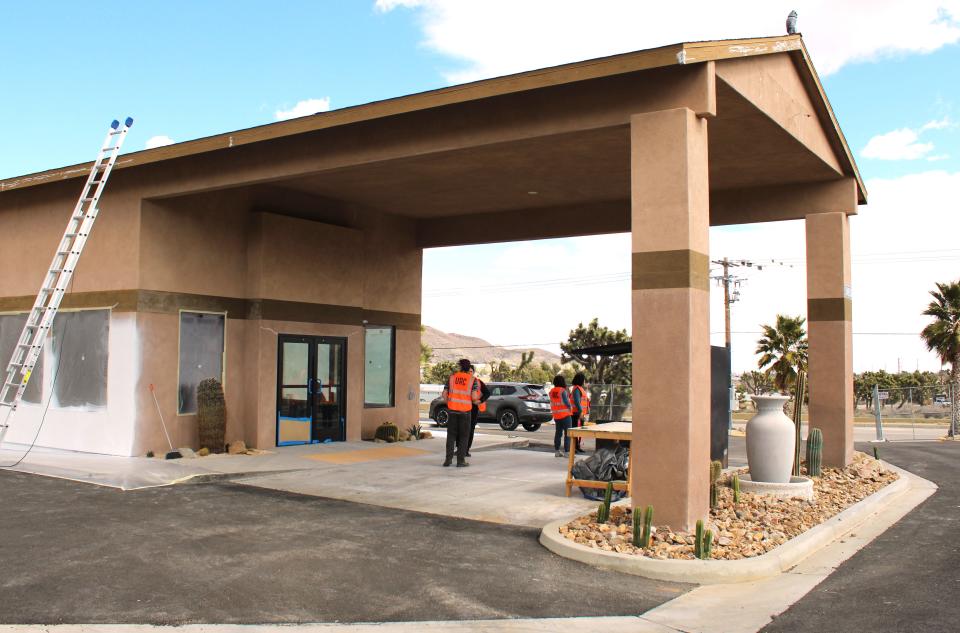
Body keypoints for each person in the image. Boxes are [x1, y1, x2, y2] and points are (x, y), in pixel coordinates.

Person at [441, 358, 480, 467]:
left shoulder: (452, 378)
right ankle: (460, 461)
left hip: (452, 410)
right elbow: (473, 397)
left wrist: (449, 403)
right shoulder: (473, 380)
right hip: (465, 412)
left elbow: (444, 394)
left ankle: (448, 460)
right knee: (464, 436)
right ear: (468, 368)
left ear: (460, 366)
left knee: (451, 436)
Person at [466, 365, 491, 457]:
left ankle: (466, 450)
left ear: (473, 372)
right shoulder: (463, 382)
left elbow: (487, 393)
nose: (469, 373)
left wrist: (480, 401)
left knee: (470, 429)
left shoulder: (478, 382)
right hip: (463, 408)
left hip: (473, 409)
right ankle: (460, 448)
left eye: (471, 371)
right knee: (462, 429)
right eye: (467, 371)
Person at [549, 374, 573, 457]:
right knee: (568, 434)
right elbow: (566, 402)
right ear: (562, 382)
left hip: (556, 416)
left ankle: (557, 451)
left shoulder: (551, 391)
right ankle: (567, 452)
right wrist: (570, 408)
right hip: (565, 415)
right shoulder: (563, 391)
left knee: (558, 434)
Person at [570, 372, 590, 454]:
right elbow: (577, 402)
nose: (584, 381)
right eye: (584, 380)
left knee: (579, 432)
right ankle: (574, 447)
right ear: (581, 380)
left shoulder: (580, 389)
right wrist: (581, 413)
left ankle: (577, 447)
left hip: (580, 414)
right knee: (576, 431)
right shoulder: (577, 389)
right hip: (576, 414)